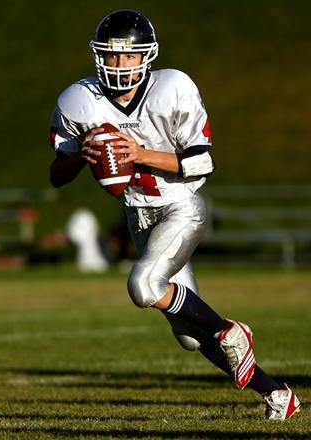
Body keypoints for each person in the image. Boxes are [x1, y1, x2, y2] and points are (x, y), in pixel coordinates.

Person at [49, 9, 300, 420]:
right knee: (189, 338)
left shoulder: (173, 87)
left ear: (146, 56)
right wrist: (81, 152)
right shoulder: (78, 100)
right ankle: (276, 393)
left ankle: (227, 330)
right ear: (98, 57)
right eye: (112, 56)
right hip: (139, 218)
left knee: (144, 286)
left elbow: (202, 163)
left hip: (181, 207)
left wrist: (139, 154)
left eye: (129, 56)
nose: (120, 65)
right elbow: (57, 175)